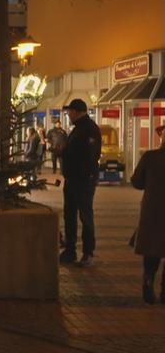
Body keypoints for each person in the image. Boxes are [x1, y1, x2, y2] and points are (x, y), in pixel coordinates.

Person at [59, 99, 102, 267]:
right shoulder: (78, 129)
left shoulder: (89, 129)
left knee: (85, 215)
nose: (69, 114)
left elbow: (89, 156)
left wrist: (66, 154)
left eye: (70, 111)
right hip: (73, 179)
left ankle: (87, 252)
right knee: (70, 215)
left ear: (77, 111)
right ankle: (70, 250)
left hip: (83, 180)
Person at [131, 124, 165, 304]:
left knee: (152, 249)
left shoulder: (150, 157)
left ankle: (148, 280)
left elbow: (136, 182)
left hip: (153, 209)